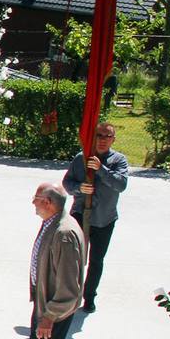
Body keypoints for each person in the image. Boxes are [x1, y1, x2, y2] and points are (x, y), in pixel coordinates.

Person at [0, 183, 87, 339]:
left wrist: (49, 315)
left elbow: (70, 285)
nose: (33, 203)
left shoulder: (64, 233)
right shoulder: (55, 224)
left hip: (53, 309)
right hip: (47, 303)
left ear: (48, 202)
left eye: (36, 199)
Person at [62, 121, 128, 313]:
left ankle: (89, 296)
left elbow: (121, 185)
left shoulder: (119, 160)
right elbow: (67, 182)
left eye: (108, 137)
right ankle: (69, 293)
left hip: (104, 218)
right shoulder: (81, 158)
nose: (103, 140)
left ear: (113, 140)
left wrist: (100, 169)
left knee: (96, 260)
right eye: (99, 136)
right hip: (80, 214)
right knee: (73, 257)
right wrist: (79, 188)